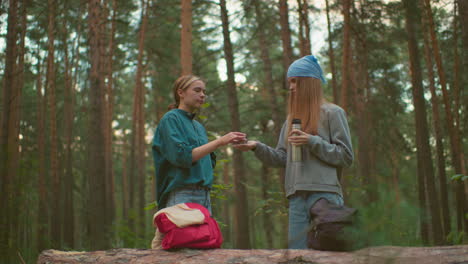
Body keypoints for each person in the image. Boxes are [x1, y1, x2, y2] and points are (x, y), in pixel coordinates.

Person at [234, 55, 353, 249]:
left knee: (330, 255)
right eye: (290, 82)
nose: (291, 87)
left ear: (309, 82)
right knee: (297, 256)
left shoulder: (333, 113)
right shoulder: (291, 120)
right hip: (296, 197)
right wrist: (256, 147)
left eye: (295, 81)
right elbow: (282, 158)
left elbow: (346, 156)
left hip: (325, 195)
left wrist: (312, 140)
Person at [152, 75, 246, 213]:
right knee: (183, 235)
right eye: (197, 90)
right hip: (182, 195)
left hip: (204, 195)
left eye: (204, 91)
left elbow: (208, 161)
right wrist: (220, 141)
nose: (202, 95)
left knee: (205, 235)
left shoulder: (198, 126)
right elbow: (182, 157)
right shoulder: (171, 119)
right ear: (181, 93)